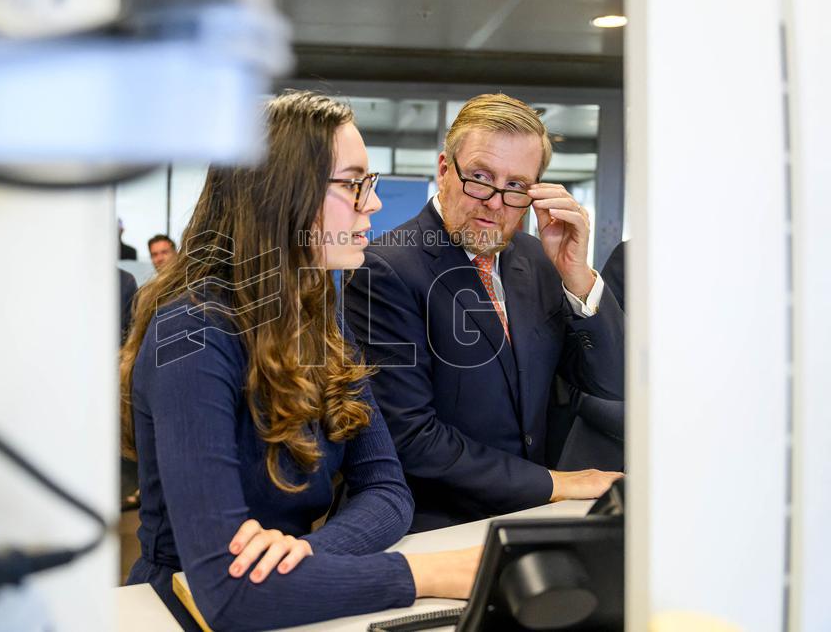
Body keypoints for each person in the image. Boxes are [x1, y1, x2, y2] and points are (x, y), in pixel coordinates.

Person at [120, 91, 480, 631]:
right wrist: (426, 573)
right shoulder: (191, 334)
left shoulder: (317, 318)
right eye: (353, 184)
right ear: (282, 194)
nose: (372, 204)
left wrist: (304, 555)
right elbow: (226, 594)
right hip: (174, 611)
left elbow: (386, 489)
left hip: (294, 600)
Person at [344, 93, 624, 532]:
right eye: (480, 177)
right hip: (436, 524)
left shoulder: (536, 258)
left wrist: (578, 277)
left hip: (527, 518)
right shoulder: (386, 268)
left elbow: (610, 382)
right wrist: (553, 482)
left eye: (516, 186)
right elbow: (410, 437)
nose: (495, 202)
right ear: (444, 170)